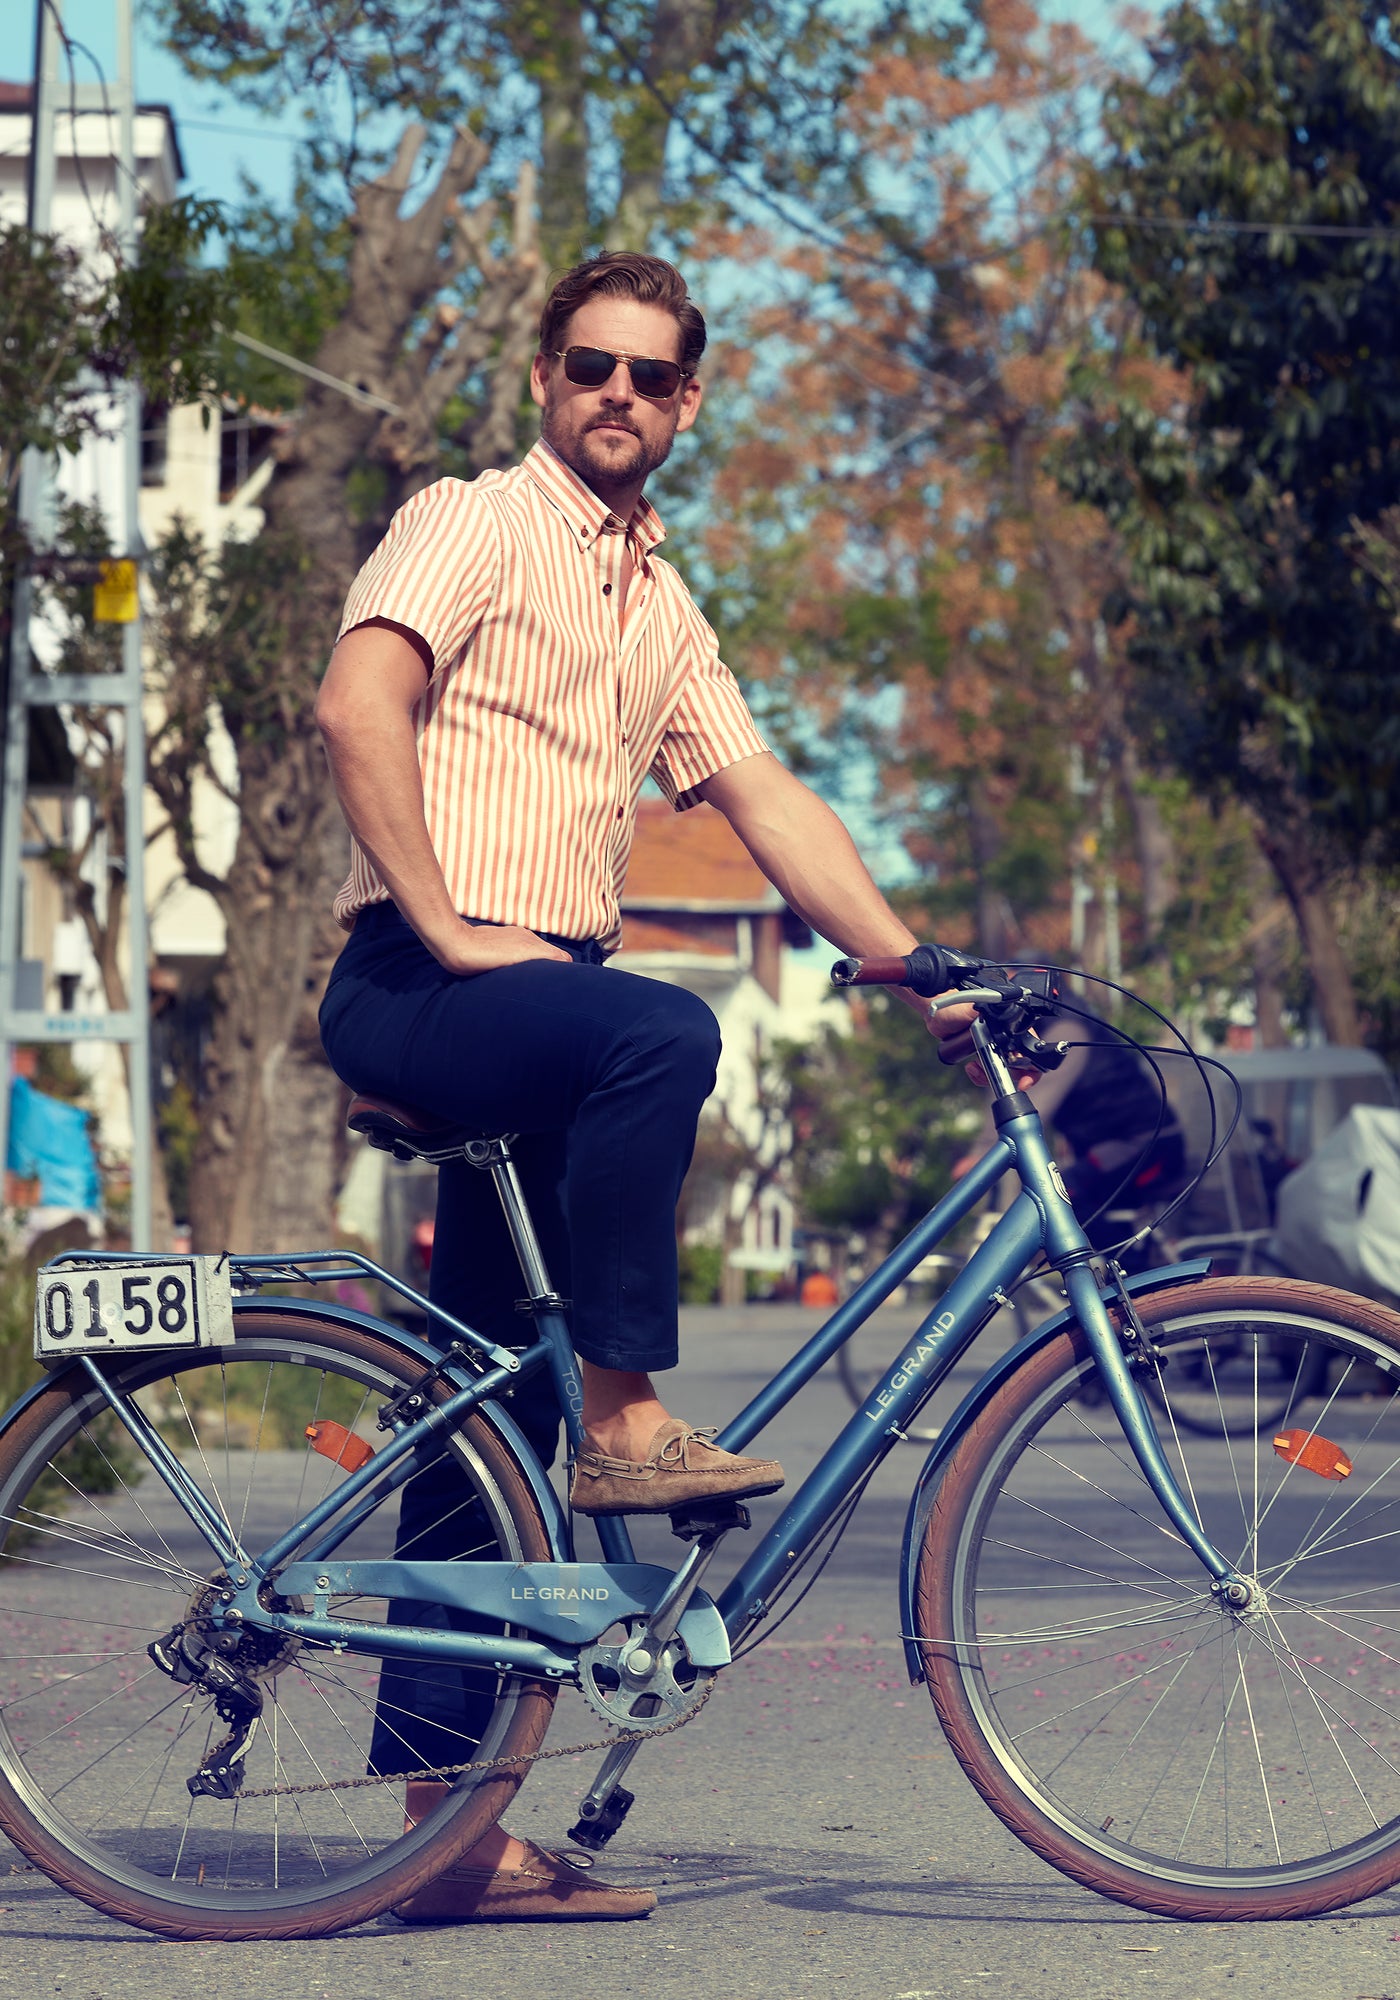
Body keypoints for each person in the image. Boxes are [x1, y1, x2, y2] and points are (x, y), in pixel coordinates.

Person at [314, 251, 959, 1922]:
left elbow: (766, 800)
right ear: (548, 377)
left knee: (481, 1431)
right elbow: (354, 704)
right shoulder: (476, 521)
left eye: (648, 376)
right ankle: (628, 1417)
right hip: (427, 985)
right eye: (588, 366)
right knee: (666, 1034)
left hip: (539, 1018)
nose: (615, 395)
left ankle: (446, 1840)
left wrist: (911, 967)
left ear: (687, 402)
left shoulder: (654, 604)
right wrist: (452, 929)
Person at [953, 1002, 1186, 1252]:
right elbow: (1004, 1085)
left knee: (1059, 1196)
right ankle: (1126, 1274)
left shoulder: (1066, 1032)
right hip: (1118, 1148)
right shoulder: (1039, 1029)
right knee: (1074, 1201)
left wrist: (985, 1150)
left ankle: (1132, 1279)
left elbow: (1028, 1100)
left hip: (1146, 1144)